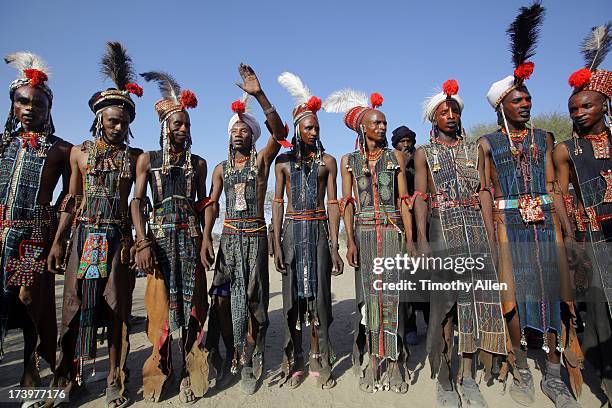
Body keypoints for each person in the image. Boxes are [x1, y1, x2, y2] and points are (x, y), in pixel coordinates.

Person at [478, 5, 582, 407]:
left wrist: (567, 231)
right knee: (513, 295)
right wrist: (490, 234)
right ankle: (520, 365)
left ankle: (553, 372)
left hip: (544, 226)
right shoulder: (487, 142)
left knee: (552, 294)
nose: (525, 104)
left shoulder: (546, 136)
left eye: (528, 99)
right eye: (517, 100)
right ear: (502, 106)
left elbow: (555, 187)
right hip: (508, 224)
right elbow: (486, 190)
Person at [46, 42, 143, 408]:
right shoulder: (79, 153)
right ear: (99, 118)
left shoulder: (135, 158)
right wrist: (58, 240)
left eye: (124, 122)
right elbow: (70, 200)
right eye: (113, 120)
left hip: (116, 237)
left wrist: (136, 241)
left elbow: (136, 203)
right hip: (83, 237)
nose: (118, 127)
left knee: (116, 307)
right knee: (73, 306)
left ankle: (116, 377)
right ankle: (71, 376)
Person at [414, 79, 506, 407]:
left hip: (475, 234)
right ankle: (444, 377)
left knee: (474, 305)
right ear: (433, 119)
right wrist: (423, 240)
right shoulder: (424, 153)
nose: (450, 115)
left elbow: (483, 192)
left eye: (454, 110)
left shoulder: (476, 149)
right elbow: (422, 198)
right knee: (444, 308)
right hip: (442, 231)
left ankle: (467, 376)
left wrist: (491, 237)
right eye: (443, 111)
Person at [202, 64, 289, 395]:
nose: (239, 133)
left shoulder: (262, 161)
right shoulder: (221, 168)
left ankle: (250, 358)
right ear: (228, 135)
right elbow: (211, 203)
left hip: (254, 237)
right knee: (223, 301)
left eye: (245, 130)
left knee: (253, 301)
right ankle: (228, 356)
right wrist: (205, 240)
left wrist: (260, 95)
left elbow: (280, 133)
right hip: (227, 240)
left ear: (253, 135)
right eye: (234, 130)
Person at [324, 88, 414, 393]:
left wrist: (411, 239)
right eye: (377, 123)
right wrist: (349, 241)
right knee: (369, 300)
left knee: (393, 299)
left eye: (384, 123)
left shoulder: (395, 156)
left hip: (392, 233)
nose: (383, 128)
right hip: (363, 233)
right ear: (363, 127)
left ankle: (396, 361)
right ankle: (374, 359)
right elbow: (347, 202)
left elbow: (404, 200)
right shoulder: (349, 161)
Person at [132, 71, 209, 403]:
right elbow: (137, 201)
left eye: (187, 125)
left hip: (191, 240)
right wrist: (143, 241)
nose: (182, 129)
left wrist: (206, 240)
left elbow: (204, 203)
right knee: (160, 310)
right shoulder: (148, 160)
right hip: (160, 243)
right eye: (177, 124)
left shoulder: (199, 163)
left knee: (192, 307)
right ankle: (159, 374)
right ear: (165, 126)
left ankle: (193, 374)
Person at [0, 52, 71, 406]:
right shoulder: (3, 145)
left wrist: (57, 238)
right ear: (13, 105)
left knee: (31, 303)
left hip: (34, 238)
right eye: (22, 101)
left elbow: (71, 199)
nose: (30, 108)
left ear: (48, 109)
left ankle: (33, 372)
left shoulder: (61, 151)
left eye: (38, 104)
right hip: (1, 234)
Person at [552, 22, 611, 404]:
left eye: (587, 105)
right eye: (574, 108)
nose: (579, 112)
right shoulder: (564, 150)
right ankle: (606, 380)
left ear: (605, 103)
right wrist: (570, 238)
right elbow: (558, 193)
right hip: (592, 240)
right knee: (600, 313)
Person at [272, 72, 343, 389]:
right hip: (291, 235)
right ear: (297, 129)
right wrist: (276, 244)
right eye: (309, 127)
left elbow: (332, 204)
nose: (314, 131)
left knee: (319, 299)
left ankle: (319, 356)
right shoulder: (283, 163)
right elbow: (277, 203)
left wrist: (334, 245)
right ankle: (295, 359)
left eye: (317, 127)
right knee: (293, 300)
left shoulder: (328, 161)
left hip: (317, 235)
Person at [391, 125, 426, 346]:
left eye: (408, 140)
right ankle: (410, 325)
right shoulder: (392, 165)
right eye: (401, 141)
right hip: (402, 228)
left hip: (424, 224)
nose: (406, 144)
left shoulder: (421, 162)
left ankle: (430, 322)